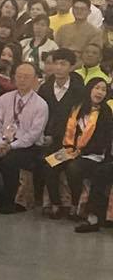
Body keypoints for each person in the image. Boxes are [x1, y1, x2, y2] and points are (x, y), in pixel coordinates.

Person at [0, 63, 49, 214]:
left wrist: (11, 146)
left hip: (28, 146)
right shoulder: (5, 99)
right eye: (19, 76)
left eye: (27, 77)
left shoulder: (41, 105)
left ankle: (10, 201)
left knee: (10, 161)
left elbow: (33, 135)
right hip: (4, 140)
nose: (22, 80)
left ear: (35, 80)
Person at [45, 78, 113, 220]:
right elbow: (66, 130)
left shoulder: (106, 113)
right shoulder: (77, 107)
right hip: (70, 150)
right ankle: (56, 204)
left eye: (103, 90)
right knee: (49, 163)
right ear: (89, 89)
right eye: (97, 88)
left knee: (73, 168)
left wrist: (80, 151)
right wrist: (69, 148)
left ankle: (75, 205)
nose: (100, 92)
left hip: (92, 155)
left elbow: (103, 141)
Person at [54, 0, 103, 64]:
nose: (79, 11)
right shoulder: (63, 29)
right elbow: (56, 49)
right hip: (61, 63)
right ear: (72, 10)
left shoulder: (96, 32)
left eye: (82, 9)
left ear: (89, 12)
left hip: (83, 65)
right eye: (76, 8)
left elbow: (93, 55)